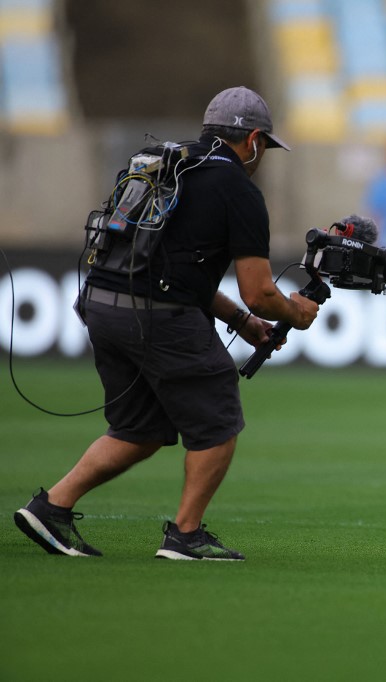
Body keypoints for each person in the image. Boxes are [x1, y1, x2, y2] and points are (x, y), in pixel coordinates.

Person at [13, 86, 320, 561]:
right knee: (217, 416)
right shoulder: (239, 189)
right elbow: (259, 289)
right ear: (254, 140)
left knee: (141, 428)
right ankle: (186, 535)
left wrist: (241, 321)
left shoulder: (164, 163)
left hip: (100, 302)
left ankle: (51, 507)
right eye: (264, 147)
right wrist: (294, 312)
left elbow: (172, 268)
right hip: (155, 315)